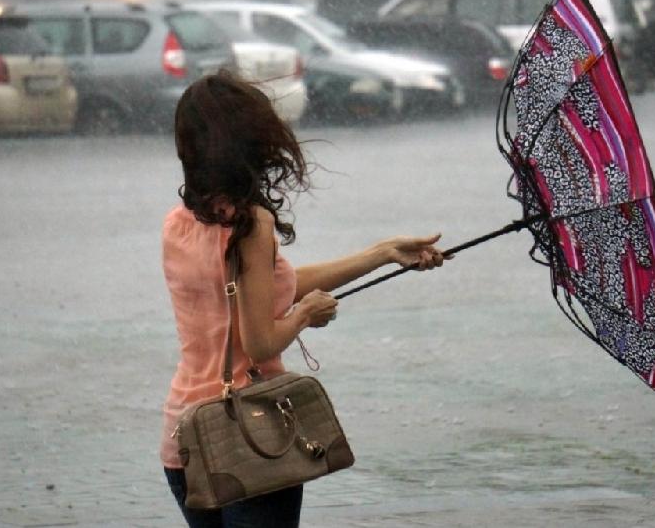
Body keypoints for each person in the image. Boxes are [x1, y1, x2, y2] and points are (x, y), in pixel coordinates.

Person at [160, 70, 448, 528]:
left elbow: (265, 289)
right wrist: (304, 315)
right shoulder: (251, 225)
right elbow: (259, 343)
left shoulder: (178, 223)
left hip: (185, 438)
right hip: (249, 439)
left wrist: (381, 254)